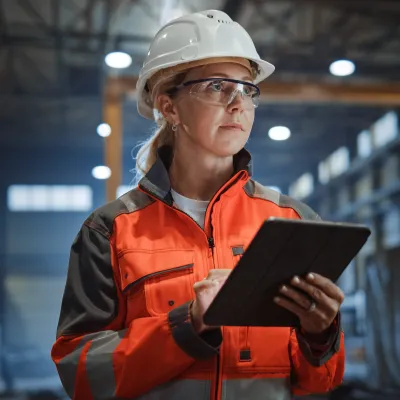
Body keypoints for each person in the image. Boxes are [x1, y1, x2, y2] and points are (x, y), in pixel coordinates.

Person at [51, 9, 345, 400]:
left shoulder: (293, 221)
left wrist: (321, 335)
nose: (238, 103)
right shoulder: (111, 230)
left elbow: (321, 380)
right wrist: (187, 325)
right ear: (169, 107)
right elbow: (81, 374)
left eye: (246, 89)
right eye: (217, 86)